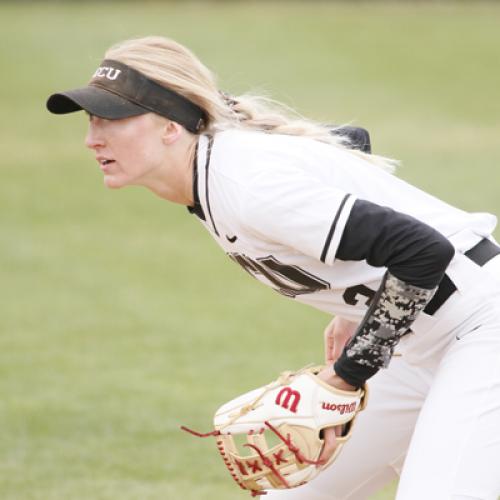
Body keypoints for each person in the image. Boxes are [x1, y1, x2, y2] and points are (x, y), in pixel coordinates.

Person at [46, 36, 500, 500]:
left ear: (169, 126)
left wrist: (347, 374)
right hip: (420, 336)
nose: (92, 138)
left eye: (113, 119)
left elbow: (424, 249)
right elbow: (347, 146)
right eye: (92, 118)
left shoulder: (243, 186)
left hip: (483, 327)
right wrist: (354, 311)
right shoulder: (216, 171)